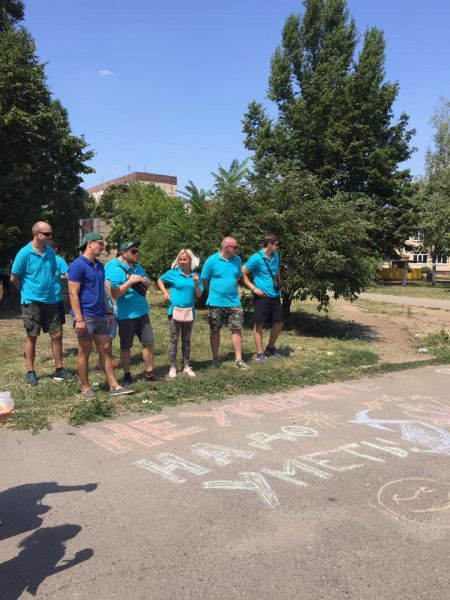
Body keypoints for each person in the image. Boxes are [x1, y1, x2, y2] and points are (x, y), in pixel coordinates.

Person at [68, 233, 133, 399]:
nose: (102, 247)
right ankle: (85, 387)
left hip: (101, 314)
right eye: (100, 244)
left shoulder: (100, 266)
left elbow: (102, 291)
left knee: (105, 349)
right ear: (90, 244)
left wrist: (108, 311)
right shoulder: (78, 265)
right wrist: (79, 319)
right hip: (86, 315)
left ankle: (114, 385)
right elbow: (73, 293)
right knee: (85, 350)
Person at [11, 221, 73, 386]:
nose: (49, 237)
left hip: (51, 300)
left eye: (50, 233)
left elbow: (53, 273)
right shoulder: (24, 254)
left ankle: (59, 369)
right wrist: (26, 293)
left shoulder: (51, 253)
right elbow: (14, 277)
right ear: (36, 234)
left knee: (57, 335)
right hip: (31, 301)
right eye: (46, 234)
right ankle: (31, 371)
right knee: (32, 336)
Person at [107, 241, 158, 383]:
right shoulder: (116, 270)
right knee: (126, 346)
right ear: (124, 253)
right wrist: (130, 282)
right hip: (126, 315)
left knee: (148, 343)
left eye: (137, 251)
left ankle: (149, 373)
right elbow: (115, 293)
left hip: (142, 312)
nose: (137, 254)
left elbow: (148, 282)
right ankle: (127, 374)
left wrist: (147, 282)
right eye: (133, 252)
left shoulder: (139, 267)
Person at [201, 237, 250, 370]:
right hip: (216, 302)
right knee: (215, 329)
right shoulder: (211, 260)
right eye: (235, 247)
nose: (237, 249)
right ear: (226, 248)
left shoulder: (237, 260)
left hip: (234, 301)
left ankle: (238, 359)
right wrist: (210, 291)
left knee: (237, 328)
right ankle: (215, 358)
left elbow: (239, 276)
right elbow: (204, 279)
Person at [157, 249, 203, 378]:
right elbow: (160, 280)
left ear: (190, 261)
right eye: (180, 259)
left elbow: (199, 295)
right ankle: (172, 366)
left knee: (186, 340)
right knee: (174, 339)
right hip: (175, 311)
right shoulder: (173, 274)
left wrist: (195, 283)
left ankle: (186, 365)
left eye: (185, 259)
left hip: (189, 312)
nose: (182, 262)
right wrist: (165, 292)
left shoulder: (196, 276)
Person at [242, 234, 283, 363]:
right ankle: (260, 353)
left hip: (275, 295)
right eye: (276, 244)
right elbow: (242, 272)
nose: (277, 246)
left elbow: (277, 270)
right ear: (269, 244)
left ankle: (270, 348)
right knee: (259, 323)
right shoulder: (256, 258)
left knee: (279, 322)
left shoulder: (276, 256)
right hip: (262, 296)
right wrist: (253, 288)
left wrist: (279, 283)